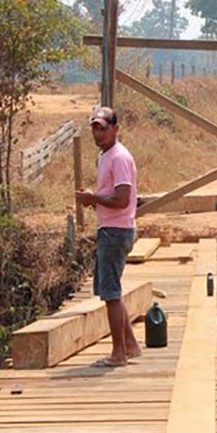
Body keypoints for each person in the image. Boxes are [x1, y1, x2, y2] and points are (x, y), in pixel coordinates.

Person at [75, 106, 141, 368]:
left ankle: (118, 354)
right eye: (94, 128)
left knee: (111, 293)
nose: (97, 133)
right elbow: (110, 196)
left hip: (117, 229)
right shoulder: (104, 156)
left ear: (115, 129)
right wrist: (95, 199)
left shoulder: (119, 157)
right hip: (109, 227)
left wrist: (94, 199)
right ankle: (131, 345)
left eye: (102, 128)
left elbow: (122, 199)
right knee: (109, 289)